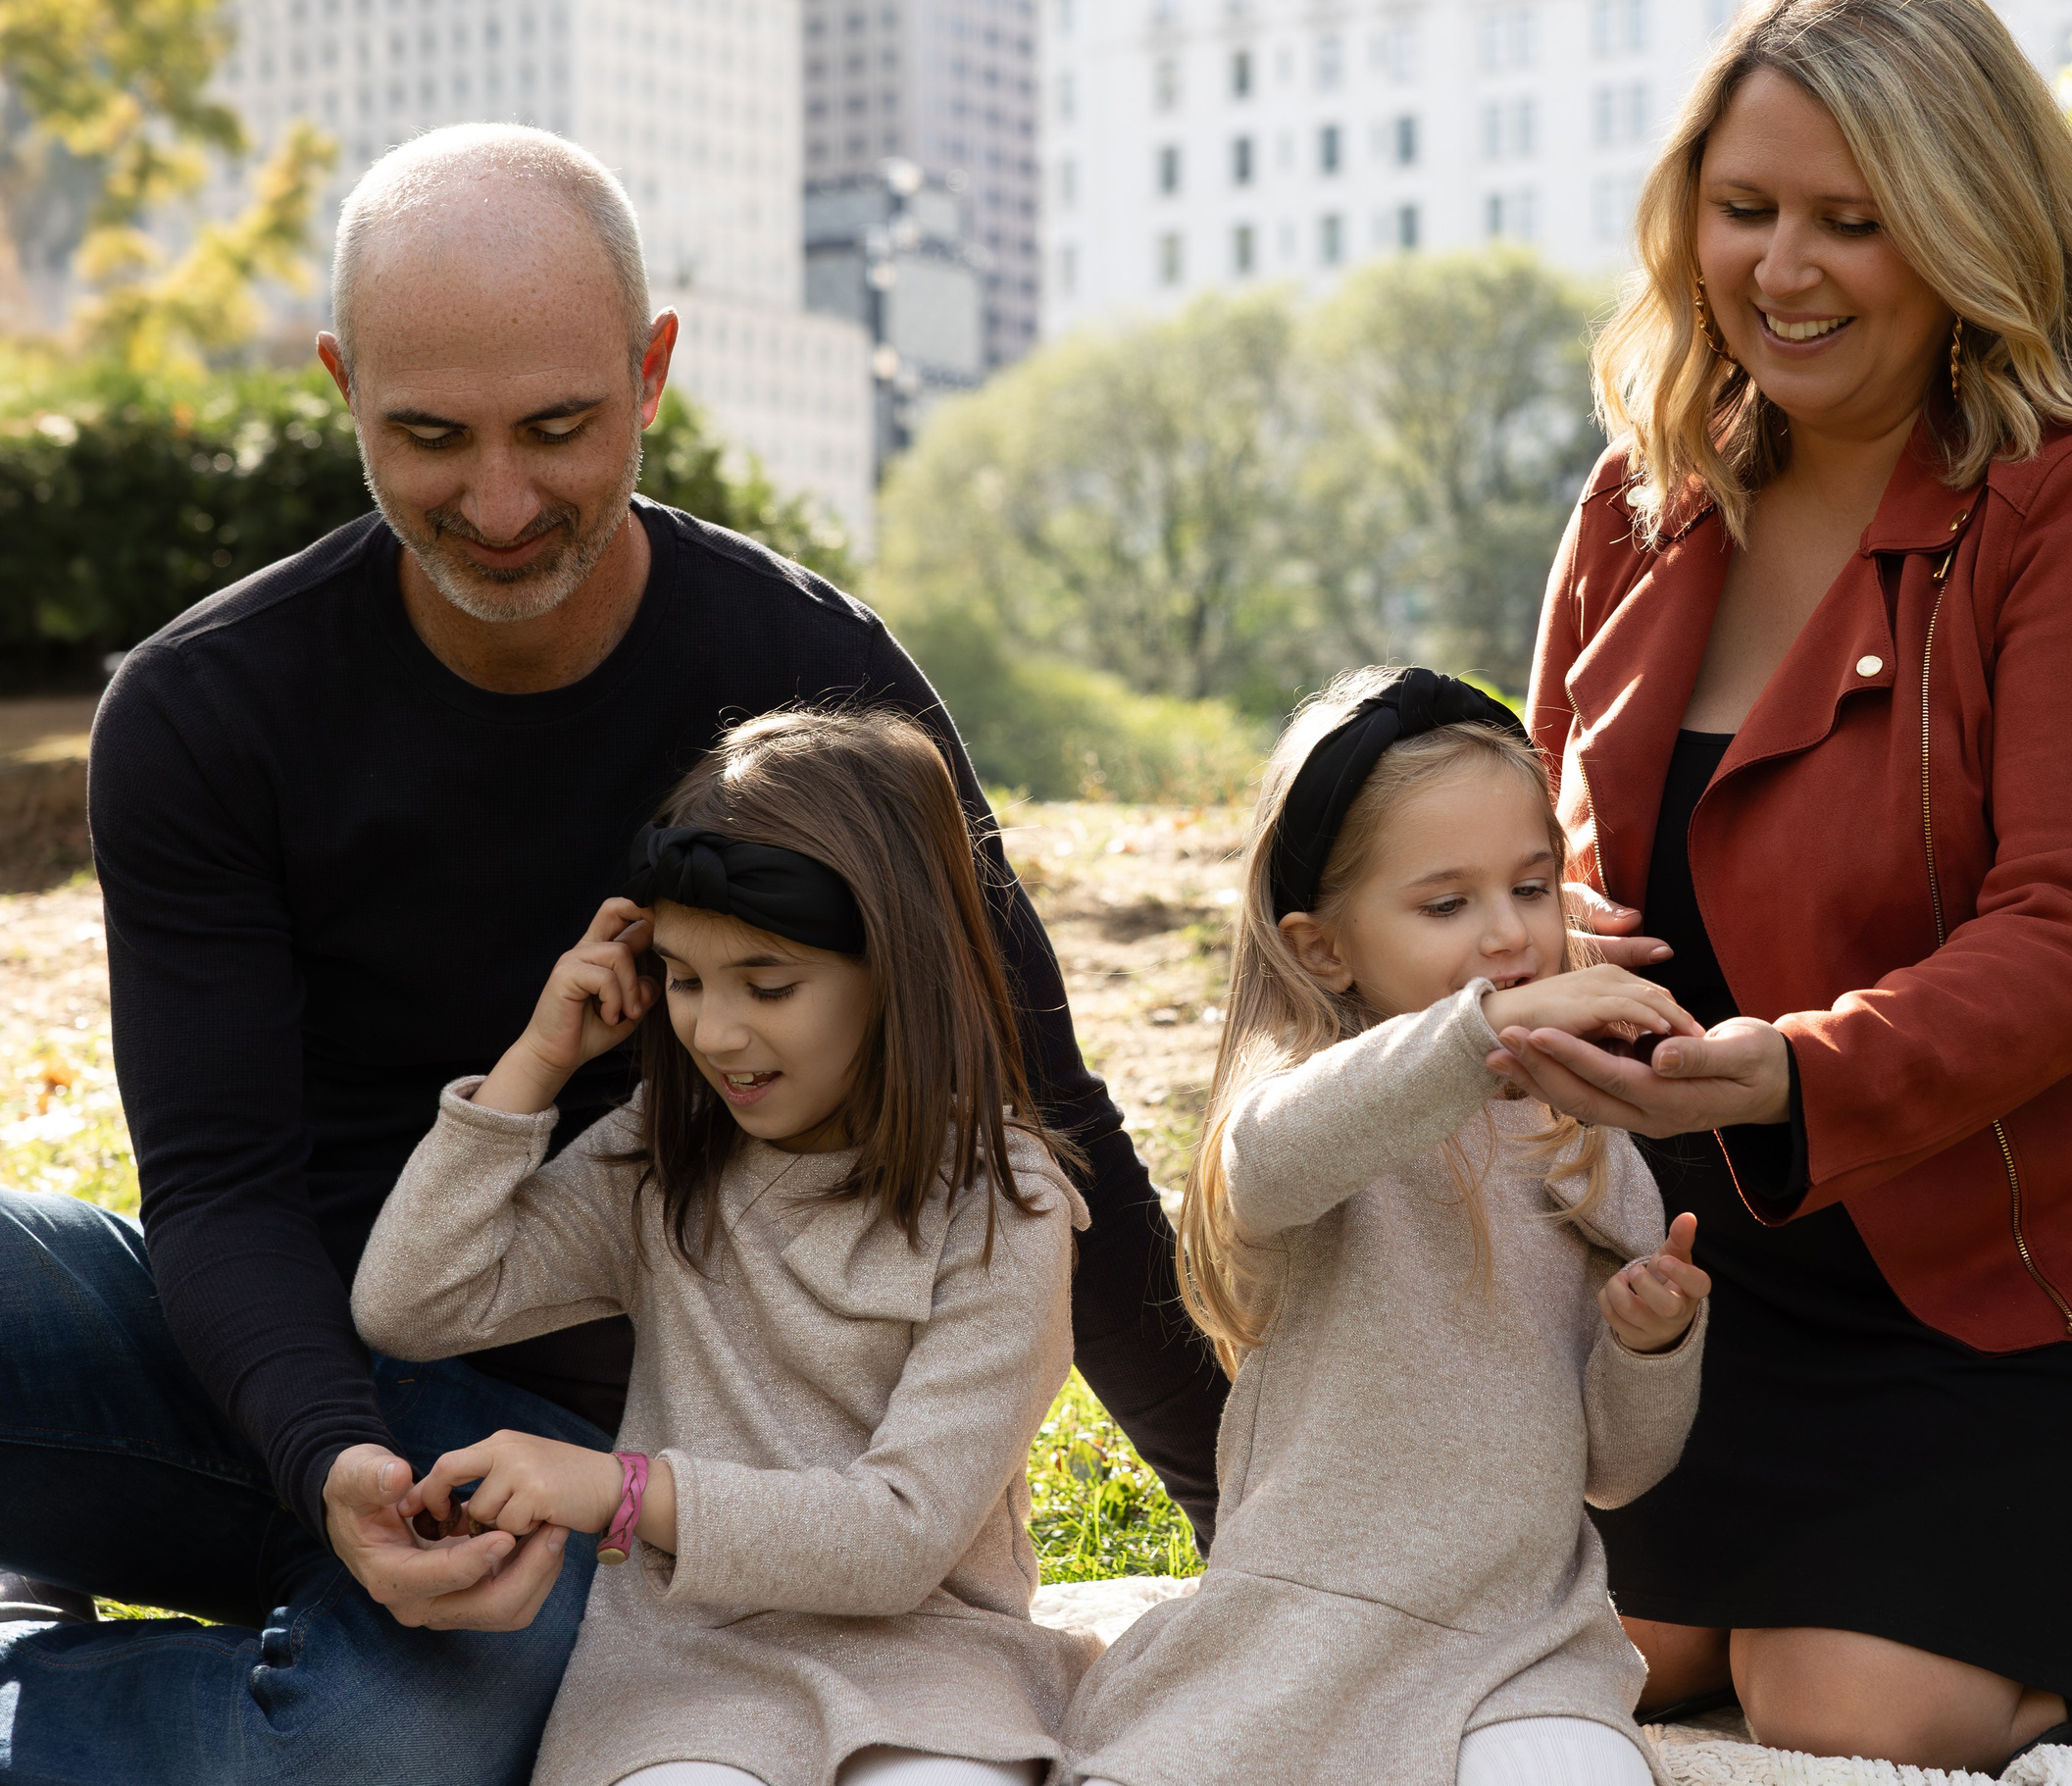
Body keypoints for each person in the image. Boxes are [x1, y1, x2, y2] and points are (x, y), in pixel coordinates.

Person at [0, 124, 1223, 1786]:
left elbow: (1038, 1097)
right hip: (269, 1352)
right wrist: (330, 1453)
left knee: (392, 1741)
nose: (499, 504)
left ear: (652, 373)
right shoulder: (201, 711)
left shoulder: (814, 681)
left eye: (560, 428)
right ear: (342, 387)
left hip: (573, 1457)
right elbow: (219, 1186)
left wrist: (1248, 1522)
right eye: (429, 435)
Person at [1495, 0, 2072, 1774]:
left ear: (1970, 227)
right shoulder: (1639, 496)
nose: (1784, 269)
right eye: (1744, 209)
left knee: (1840, 1701)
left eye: (1855, 221)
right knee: (1603, 1647)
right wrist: (1543, 948)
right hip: (1741, 1276)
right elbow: (1531, 834)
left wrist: (1795, 1070)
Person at [354, 710, 1093, 1786]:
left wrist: (617, 1488)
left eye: (769, 983)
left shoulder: (1003, 1208)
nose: (713, 1031)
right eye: (685, 978)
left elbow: (901, 1537)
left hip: (935, 1664)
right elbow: (414, 1301)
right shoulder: (663, 1156)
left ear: (899, 968)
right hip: (681, 1668)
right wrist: (538, 1060)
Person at [1062, 666, 1712, 1786]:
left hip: (1523, 1639)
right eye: (1445, 905)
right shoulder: (1315, 1106)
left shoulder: (1583, 1146)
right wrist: (1482, 1029)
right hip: (1304, 1621)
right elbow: (1266, 1162)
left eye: (1532, 887)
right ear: (1324, 948)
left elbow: (1614, 1470)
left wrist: (1649, 1348)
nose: (1508, 935)